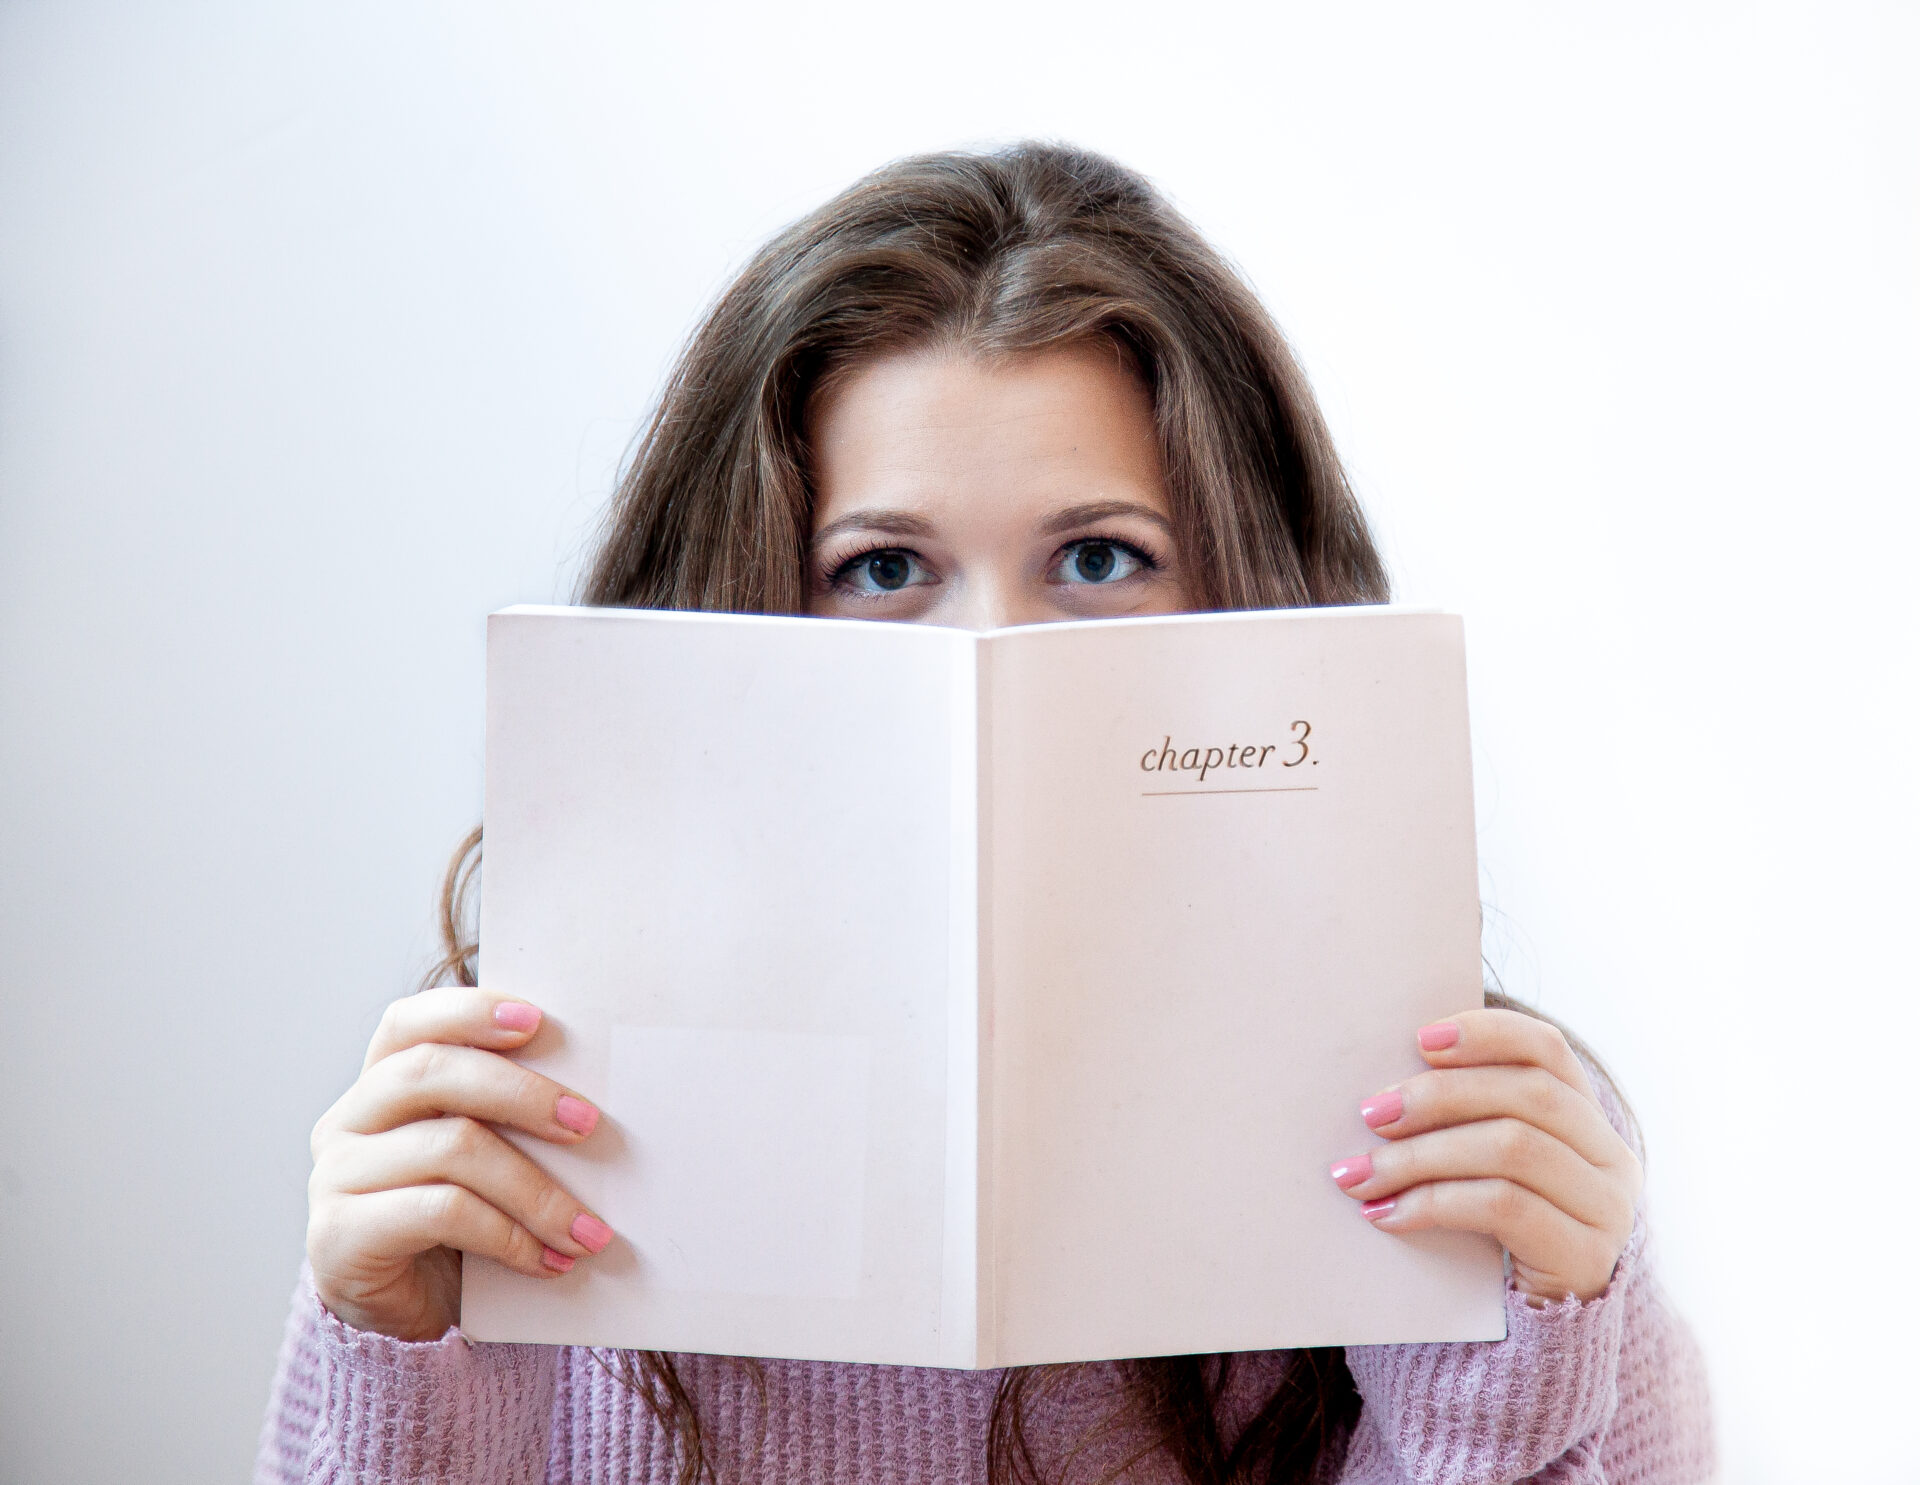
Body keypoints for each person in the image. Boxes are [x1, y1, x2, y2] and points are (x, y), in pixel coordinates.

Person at [257, 143, 1714, 1485]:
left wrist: (1503, 1382)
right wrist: (403, 1358)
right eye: (884, 570)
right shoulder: (526, 1126)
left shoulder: (1507, 1174)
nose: (991, 656)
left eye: (1096, 554)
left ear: (1244, 587)